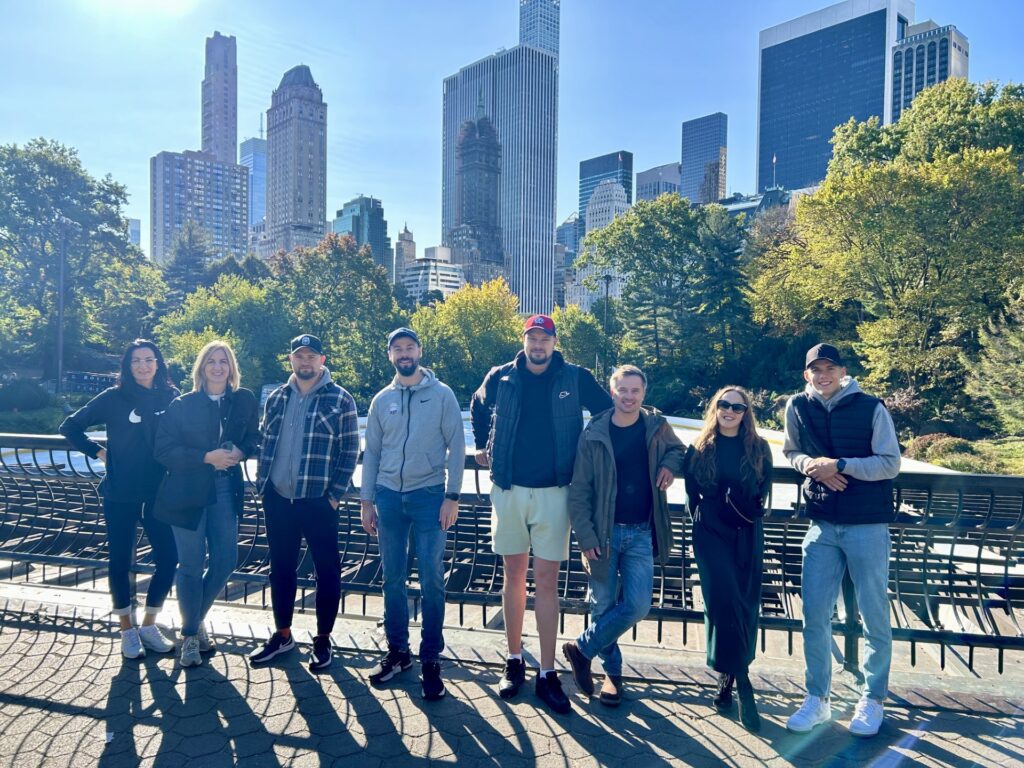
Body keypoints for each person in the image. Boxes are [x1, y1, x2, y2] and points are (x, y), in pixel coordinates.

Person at [471, 314, 613, 714]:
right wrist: (483, 445)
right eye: (532, 338)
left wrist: (589, 456)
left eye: (544, 339)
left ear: (553, 342)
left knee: (547, 582)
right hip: (509, 488)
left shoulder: (576, 377)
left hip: (556, 491)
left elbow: (607, 412)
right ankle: (514, 660)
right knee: (513, 575)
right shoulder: (500, 376)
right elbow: (477, 406)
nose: (538, 346)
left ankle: (547, 673)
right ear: (524, 340)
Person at [783, 343, 900, 738]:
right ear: (807, 375)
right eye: (816, 369)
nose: (823, 375)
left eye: (830, 368)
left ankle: (873, 697)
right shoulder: (797, 406)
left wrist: (842, 466)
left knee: (873, 613)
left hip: (867, 523)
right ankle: (818, 698)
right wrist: (814, 468)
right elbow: (792, 451)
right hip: (822, 524)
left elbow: (890, 463)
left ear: (843, 371)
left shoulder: (871, 407)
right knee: (814, 614)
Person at [561, 365, 685, 707]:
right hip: (601, 534)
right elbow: (579, 490)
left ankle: (581, 649)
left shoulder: (656, 427)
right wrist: (585, 537)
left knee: (637, 605)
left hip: (641, 532)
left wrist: (669, 466)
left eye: (635, 391)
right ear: (612, 392)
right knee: (602, 605)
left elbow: (679, 451)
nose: (629, 397)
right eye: (622, 390)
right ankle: (612, 677)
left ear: (644, 393)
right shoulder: (595, 431)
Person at [360, 328, 465, 700]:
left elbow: (457, 447)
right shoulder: (381, 399)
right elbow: (371, 452)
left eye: (410, 347)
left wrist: (452, 496)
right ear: (390, 355)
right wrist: (366, 500)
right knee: (392, 578)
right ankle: (398, 652)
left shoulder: (442, 395)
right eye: (397, 349)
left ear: (420, 351)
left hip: (429, 497)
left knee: (432, 579)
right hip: (388, 497)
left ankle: (431, 659)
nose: (404, 354)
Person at [59, 340, 180, 659]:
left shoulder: (171, 395)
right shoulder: (113, 397)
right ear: (127, 366)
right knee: (120, 562)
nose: (143, 365)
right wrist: (98, 452)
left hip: (158, 494)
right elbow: (69, 427)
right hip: (120, 493)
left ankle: (149, 625)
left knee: (169, 559)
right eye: (136, 361)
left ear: (158, 363)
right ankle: (127, 630)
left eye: (149, 360)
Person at [249, 334, 359, 672]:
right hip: (278, 497)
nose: (306, 362)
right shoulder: (277, 398)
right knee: (280, 568)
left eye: (312, 356)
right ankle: (283, 635)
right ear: (291, 360)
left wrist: (334, 496)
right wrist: (261, 485)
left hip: (318, 500)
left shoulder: (341, 399)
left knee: (327, 571)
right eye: (300, 356)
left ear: (322, 360)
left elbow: (350, 450)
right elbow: (266, 440)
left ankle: (323, 639)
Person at [153, 340, 259, 668]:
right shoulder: (182, 405)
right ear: (201, 367)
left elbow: (253, 438)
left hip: (225, 489)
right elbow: (163, 450)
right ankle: (190, 636)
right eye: (211, 361)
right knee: (190, 564)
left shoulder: (244, 400)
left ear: (231, 368)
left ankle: (194, 620)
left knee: (226, 559)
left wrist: (241, 452)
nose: (217, 367)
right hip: (186, 491)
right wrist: (205, 457)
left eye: (223, 361)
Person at [684, 386, 773, 732]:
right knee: (723, 602)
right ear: (715, 407)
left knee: (745, 604)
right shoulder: (701, 446)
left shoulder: (759, 448)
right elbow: (692, 493)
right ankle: (744, 685)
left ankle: (727, 678)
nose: (730, 410)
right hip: (711, 535)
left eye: (737, 406)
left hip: (746, 534)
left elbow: (764, 489)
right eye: (724, 404)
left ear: (746, 412)